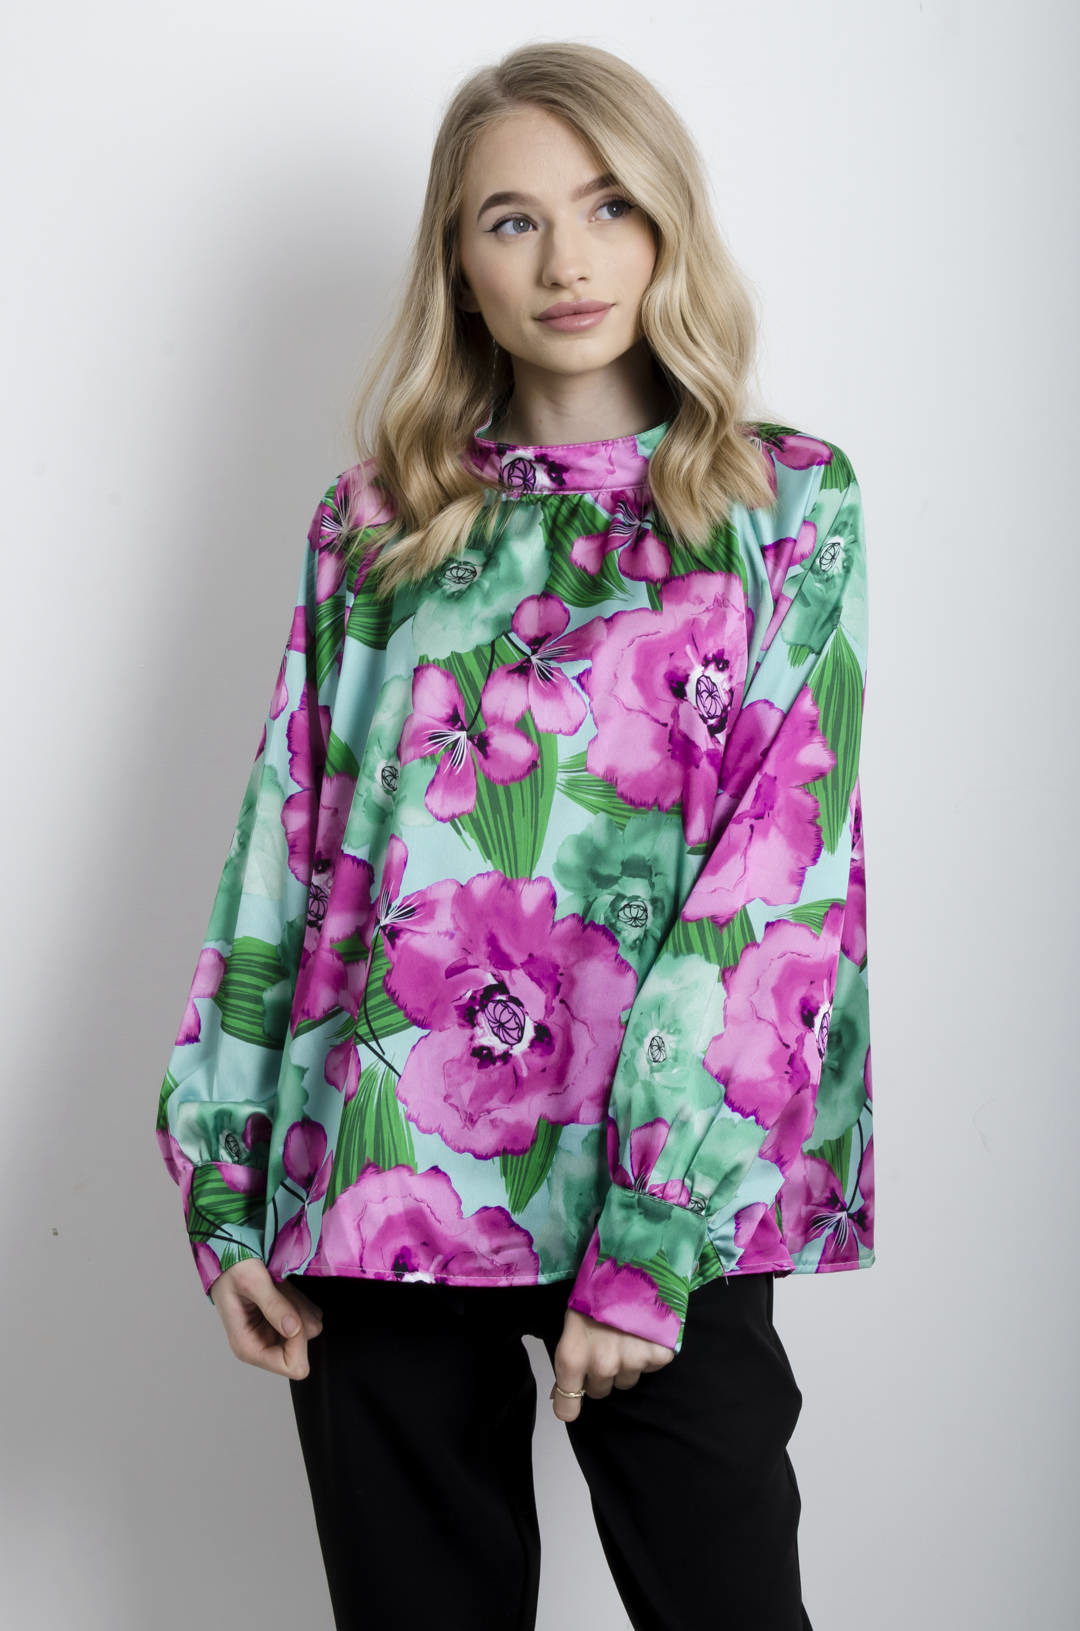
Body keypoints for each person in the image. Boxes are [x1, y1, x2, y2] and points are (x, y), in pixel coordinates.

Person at [154, 39, 874, 1631]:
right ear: (460, 264)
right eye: (513, 220)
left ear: (668, 224)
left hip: (663, 1192)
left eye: (609, 205)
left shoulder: (786, 504)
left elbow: (779, 877)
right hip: (378, 1174)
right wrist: (225, 1185)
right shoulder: (376, 524)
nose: (567, 261)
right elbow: (289, 843)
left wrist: (654, 1242)